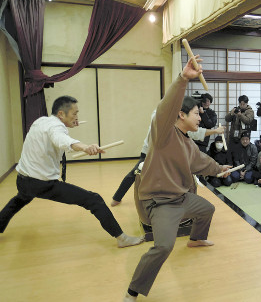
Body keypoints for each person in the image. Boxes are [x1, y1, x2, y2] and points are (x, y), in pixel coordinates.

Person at [123, 56, 232, 301]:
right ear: (181, 115)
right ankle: (133, 292)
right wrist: (183, 79)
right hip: (160, 202)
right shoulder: (164, 133)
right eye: (196, 113)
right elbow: (165, 109)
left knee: (207, 208)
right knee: (163, 246)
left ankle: (195, 239)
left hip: (181, 199)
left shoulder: (188, 143)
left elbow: (202, 162)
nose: (200, 118)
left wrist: (220, 168)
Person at [0, 95, 144, 249]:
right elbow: (61, 139)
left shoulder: (41, 121)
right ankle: (121, 238)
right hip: (41, 184)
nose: (77, 117)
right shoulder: (56, 128)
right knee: (94, 200)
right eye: (74, 113)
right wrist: (85, 147)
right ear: (61, 114)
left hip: (22, 179)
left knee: (20, 199)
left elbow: (56, 135)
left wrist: (71, 125)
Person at [111, 111, 225, 206]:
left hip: (167, 155)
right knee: (136, 172)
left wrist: (215, 131)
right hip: (150, 153)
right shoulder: (159, 117)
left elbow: (194, 132)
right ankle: (117, 197)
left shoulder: (178, 118)